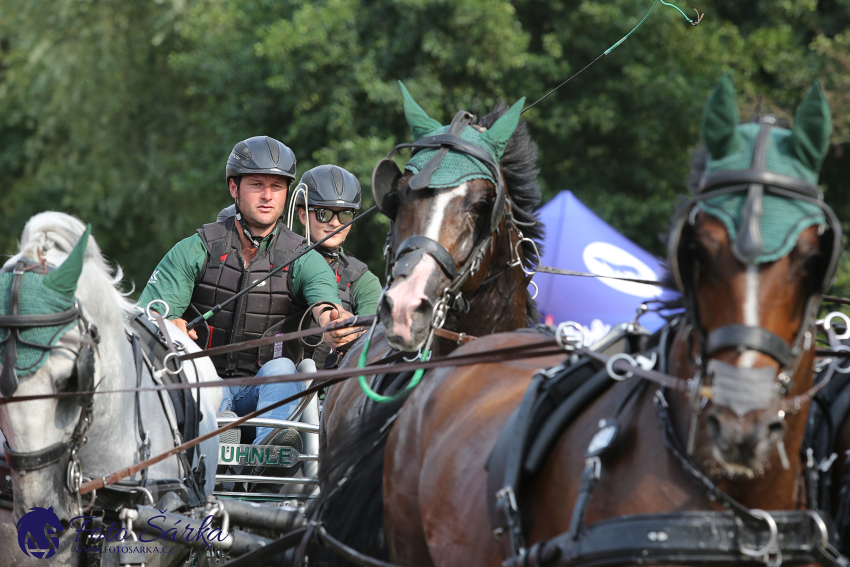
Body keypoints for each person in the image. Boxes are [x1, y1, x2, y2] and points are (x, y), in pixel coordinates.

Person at [138, 136, 356, 478]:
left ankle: (266, 458)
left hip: (268, 389)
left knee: (283, 365)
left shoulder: (304, 257)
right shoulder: (196, 248)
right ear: (233, 188)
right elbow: (148, 315)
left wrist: (332, 319)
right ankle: (223, 441)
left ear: (287, 193)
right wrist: (169, 325)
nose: (267, 195)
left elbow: (325, 300)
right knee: (207, 385)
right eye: (256, 184)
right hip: (208, 386)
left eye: (277, 186)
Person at [292, 165, 382, 367]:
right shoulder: (279, 261)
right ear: (304, 215)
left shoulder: (362, 279)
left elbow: (374, 336)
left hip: (333, 392)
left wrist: (351, 331)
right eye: (324, 213)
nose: (335, 223)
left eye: (345, 215)